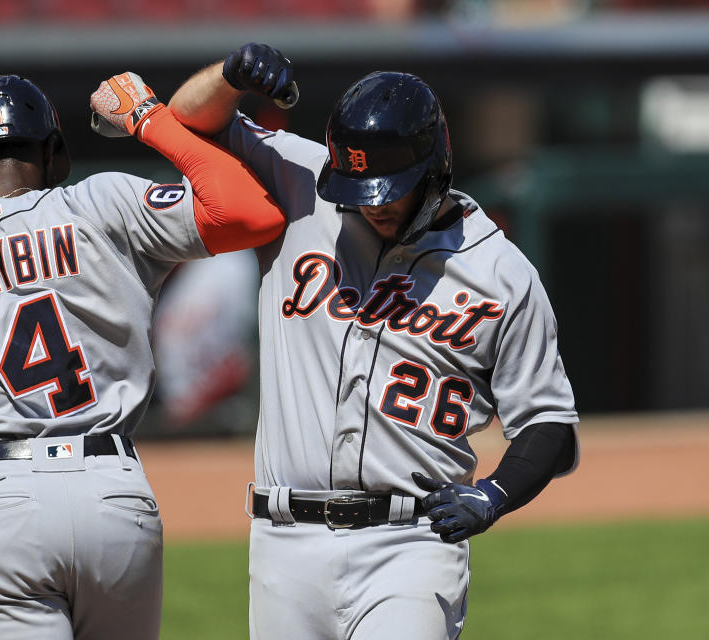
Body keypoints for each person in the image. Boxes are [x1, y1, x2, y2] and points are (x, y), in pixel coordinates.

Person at [168, 43, 580, 639]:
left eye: (389, 189)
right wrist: (230, 78)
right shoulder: (303, 182)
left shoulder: (501, 273)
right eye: (359, 187)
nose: (374, 206)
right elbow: (188, 120)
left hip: (409, 544)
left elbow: (549, 425)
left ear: (435, 167)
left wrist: (494, 494)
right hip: (284, 541)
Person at [0, 72, 285, 640]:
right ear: (54, 152)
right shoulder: (101, 204)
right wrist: (148, 119)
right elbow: (253, 213)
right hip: (113, 490)